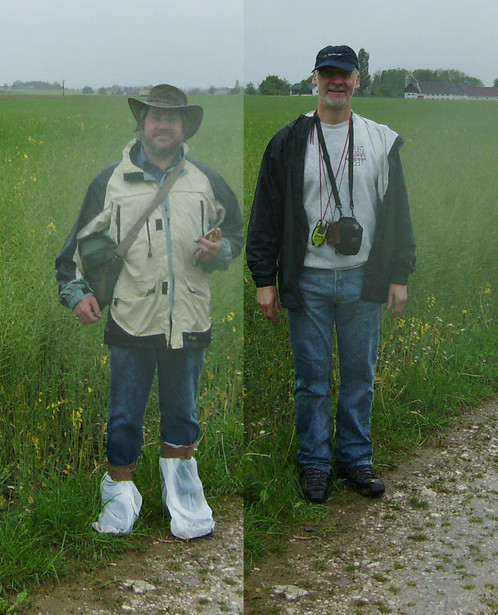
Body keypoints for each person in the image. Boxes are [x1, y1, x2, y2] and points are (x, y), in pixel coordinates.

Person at [56, 84, 243, 536]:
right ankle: (120, 502)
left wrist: (218, 252)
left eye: (172, 119)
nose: (163, 126)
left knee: (183, 412)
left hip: (188, 320)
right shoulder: (110, 181)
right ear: (141, 125)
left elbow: (235, 235)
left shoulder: (207, 180)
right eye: (155, 118)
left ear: (183, 127)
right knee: (124, 415)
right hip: (130, 319)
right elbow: (72, 253)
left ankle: (185, 503)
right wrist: (77, 293)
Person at [246, 46, 416, 503]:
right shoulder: (289, 140)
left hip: (364, 279)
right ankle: (316, 463)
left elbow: (397, 212)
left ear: (357, 80)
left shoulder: (380, 140)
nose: (336, 82)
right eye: (328, 74)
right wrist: (265, 278)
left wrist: (398, 274)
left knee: (360, 373)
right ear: (315, 79)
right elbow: (267, 212)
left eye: (345, 74)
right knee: (312, 379)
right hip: (310, 281)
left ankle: (356, 458)